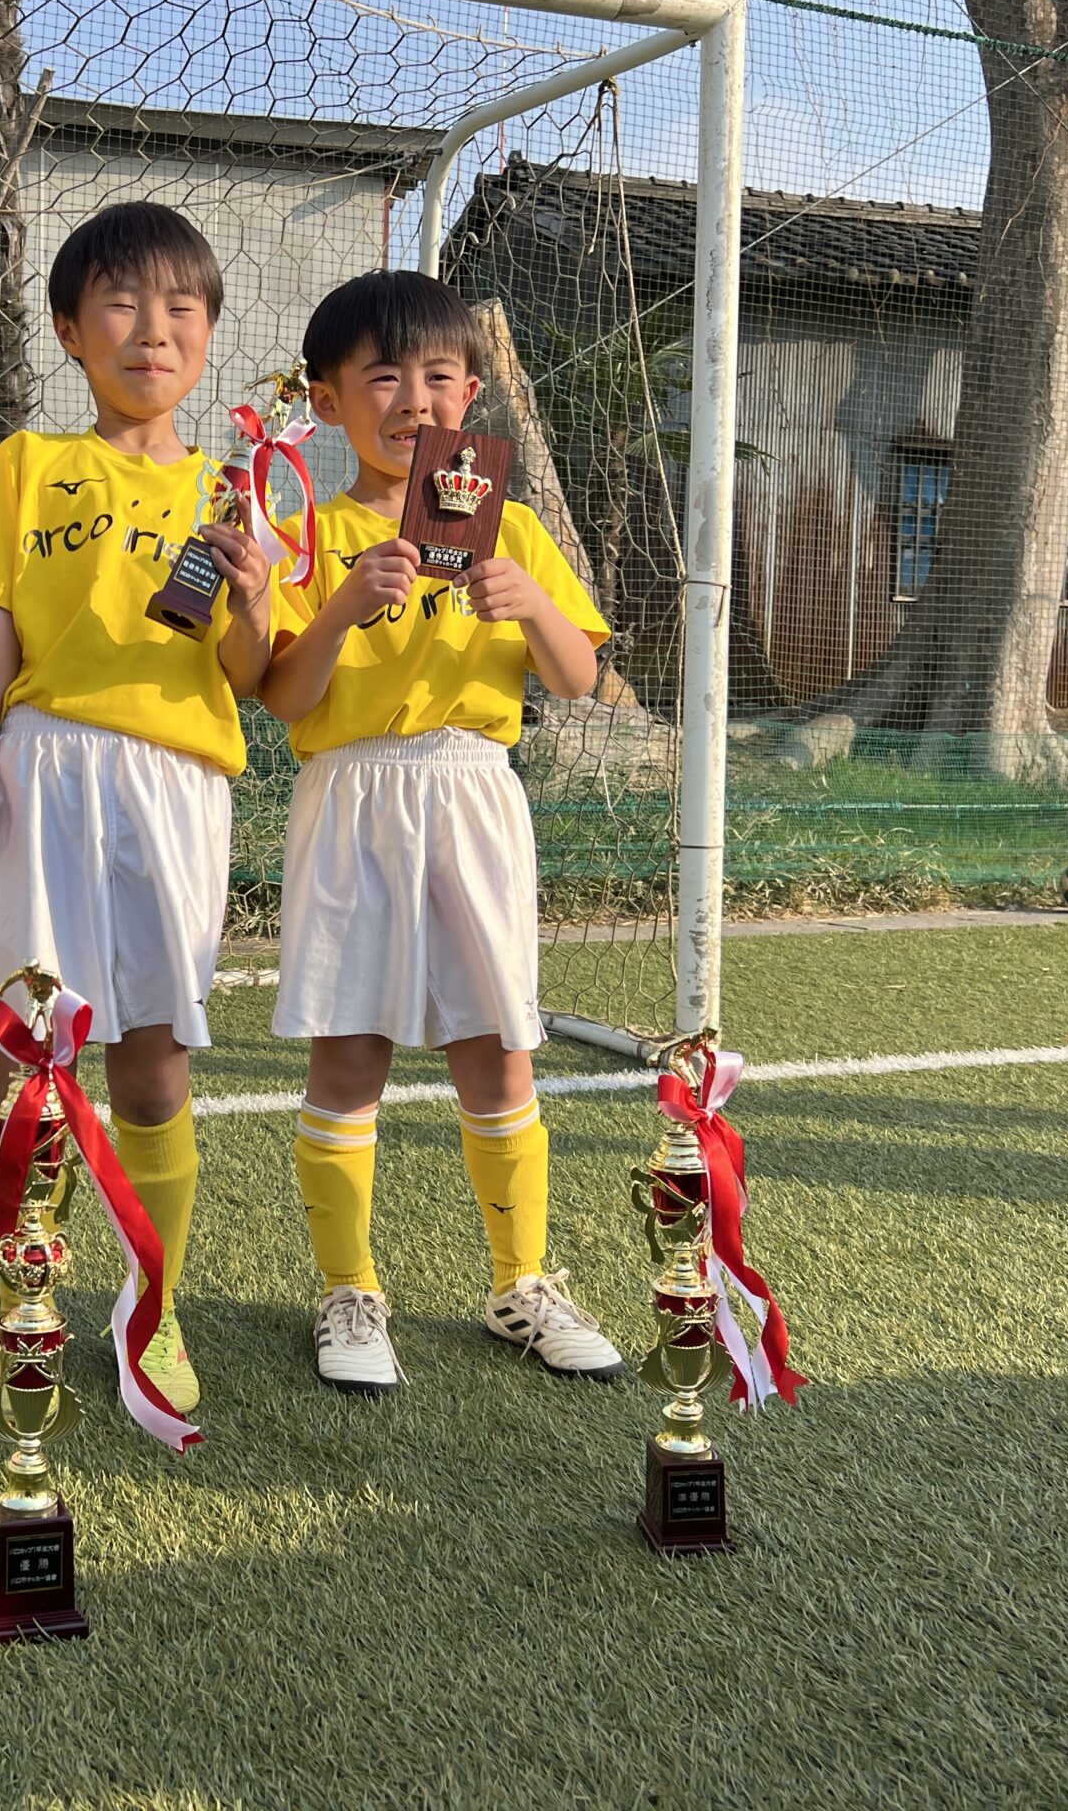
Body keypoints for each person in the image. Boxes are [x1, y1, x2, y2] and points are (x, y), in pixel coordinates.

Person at [0, 202, 273, 1413]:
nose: (151, 330)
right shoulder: (27, 465)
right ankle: (25, 1310)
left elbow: (247, 674)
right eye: (120, 304)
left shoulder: (236, 486)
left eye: (180, 307)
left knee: (154, 1059)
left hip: (174, 785)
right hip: (42, 771)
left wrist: (256, 598)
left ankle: (153, 1308)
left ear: (208, 331)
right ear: (71, 331)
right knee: (34, 1053)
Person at [260, 269, 624, 1395]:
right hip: (351, 795)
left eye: (437, 376)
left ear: (471, 395)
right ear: (329, 401)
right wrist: (340, 606)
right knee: (348, 1048)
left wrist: (533, 605)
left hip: (472, 791)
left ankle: (524, 1284)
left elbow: (578, 677)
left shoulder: (509, 527)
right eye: (383, 377)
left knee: (496, 1045)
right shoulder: (305, 533)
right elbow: (281, 696)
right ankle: (348, 1291)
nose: (413, 400)